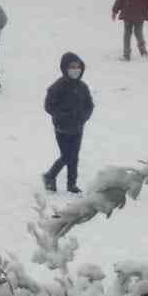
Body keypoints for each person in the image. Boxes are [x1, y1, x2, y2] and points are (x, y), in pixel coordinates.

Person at [42, 52, 94, 194]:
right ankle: (49, 176)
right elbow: (49, 106)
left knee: (74, 157)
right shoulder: (58, 86)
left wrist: (84, 116)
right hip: (62, 128)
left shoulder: (82, 87)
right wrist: (63, 116)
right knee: (67, 156)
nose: (75, 70)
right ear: (65, 68)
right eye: (72, 67)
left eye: (78, 67)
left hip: (78, 127)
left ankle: (72, 184)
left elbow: (89, 105)